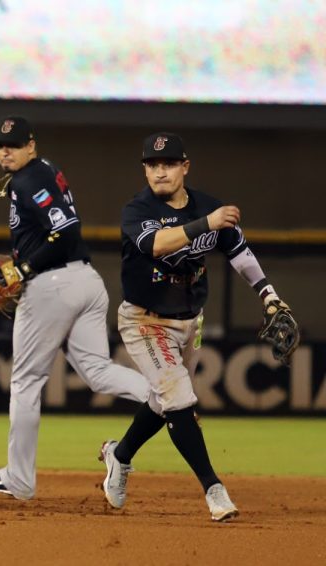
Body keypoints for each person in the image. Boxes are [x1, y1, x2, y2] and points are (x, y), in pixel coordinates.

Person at [99, 132, 298, 521]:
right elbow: (156, 245)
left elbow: (239, 252)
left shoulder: (209, 205)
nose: (160, 171)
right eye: (152, 165)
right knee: (179, 400)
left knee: (164, 402)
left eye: (169, 163)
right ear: (145, 169)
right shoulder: (136, 210)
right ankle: (214, 489)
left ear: (184, 167)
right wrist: (207, 222)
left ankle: (118, 455)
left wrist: (269, 294)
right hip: (145, 320)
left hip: (191, 320)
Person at [0, 116, 150, 500]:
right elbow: (53, 234)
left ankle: (19, 480)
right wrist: (18, 262)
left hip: (52, 286)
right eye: (1, 145)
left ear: (31, 146)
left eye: (15, 144)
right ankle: (167, 399)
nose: (6, 150)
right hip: (86, 281)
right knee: (98, 371)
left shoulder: (27, 179)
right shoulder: (44, 171)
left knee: (25, 382)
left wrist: (21, 268)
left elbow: (66, 229)